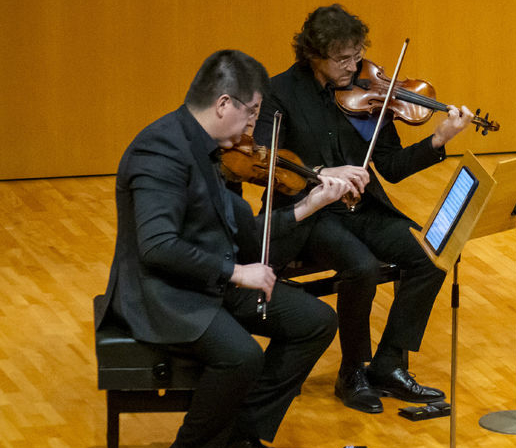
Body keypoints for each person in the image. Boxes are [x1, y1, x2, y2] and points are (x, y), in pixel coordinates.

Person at [97, 50, 354, 448]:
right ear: (222, 104)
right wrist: (236, 272)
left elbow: (244, 230)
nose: (253, 125)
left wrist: (308, 205)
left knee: (315, 321)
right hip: (163, 293)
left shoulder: (210, 146)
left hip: (208, 278)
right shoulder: (160, 152)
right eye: (251, 113)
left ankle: (240, 435)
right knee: (242, 356)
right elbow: (157, 247)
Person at [255, 4, 475, 414]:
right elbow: (266, 160)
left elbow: (390, 167)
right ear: (313, 55)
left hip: (361, 208)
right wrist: (322, 173)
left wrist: (439, 140)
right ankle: (352, 371)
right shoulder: (279, 92)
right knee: (362, 267)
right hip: (309, 212)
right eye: (341, 58)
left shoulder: (368, 92)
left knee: (430, 254)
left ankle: (389, 364)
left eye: (356, 56)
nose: (352, 66)